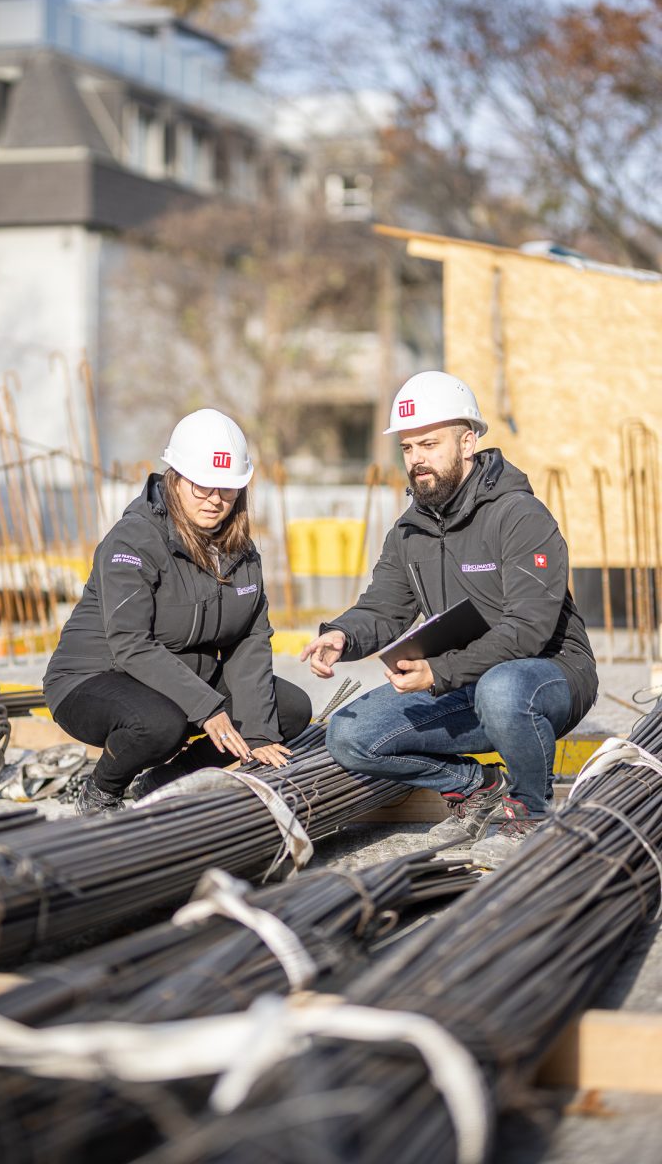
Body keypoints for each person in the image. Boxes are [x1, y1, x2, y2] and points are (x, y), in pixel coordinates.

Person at [301, 371, 598, 866]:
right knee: (348, 732)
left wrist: (438, 672)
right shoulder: (409, 532)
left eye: (430, 444)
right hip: (465, 681)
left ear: (468, 442)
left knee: (502, 688)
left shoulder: (519, 515)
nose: (416, 458)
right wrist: (341, 635)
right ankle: (477, 787)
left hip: (547, 678)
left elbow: (528, 630)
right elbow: (383, 608)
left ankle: (528, 811)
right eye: (408, 447)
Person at [44, 408, 311, 814]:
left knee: (288, 709)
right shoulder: (133, 541)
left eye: (227, 488)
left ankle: (165, 782)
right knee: (159, 724)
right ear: (176, 478)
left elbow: (250, 639)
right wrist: (207, 708)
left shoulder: (241, 551)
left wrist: (258, 734)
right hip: (97, 678)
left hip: (180, 682)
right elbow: (130, 644)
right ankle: (102, 791)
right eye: (201, 486)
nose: (215, 500)